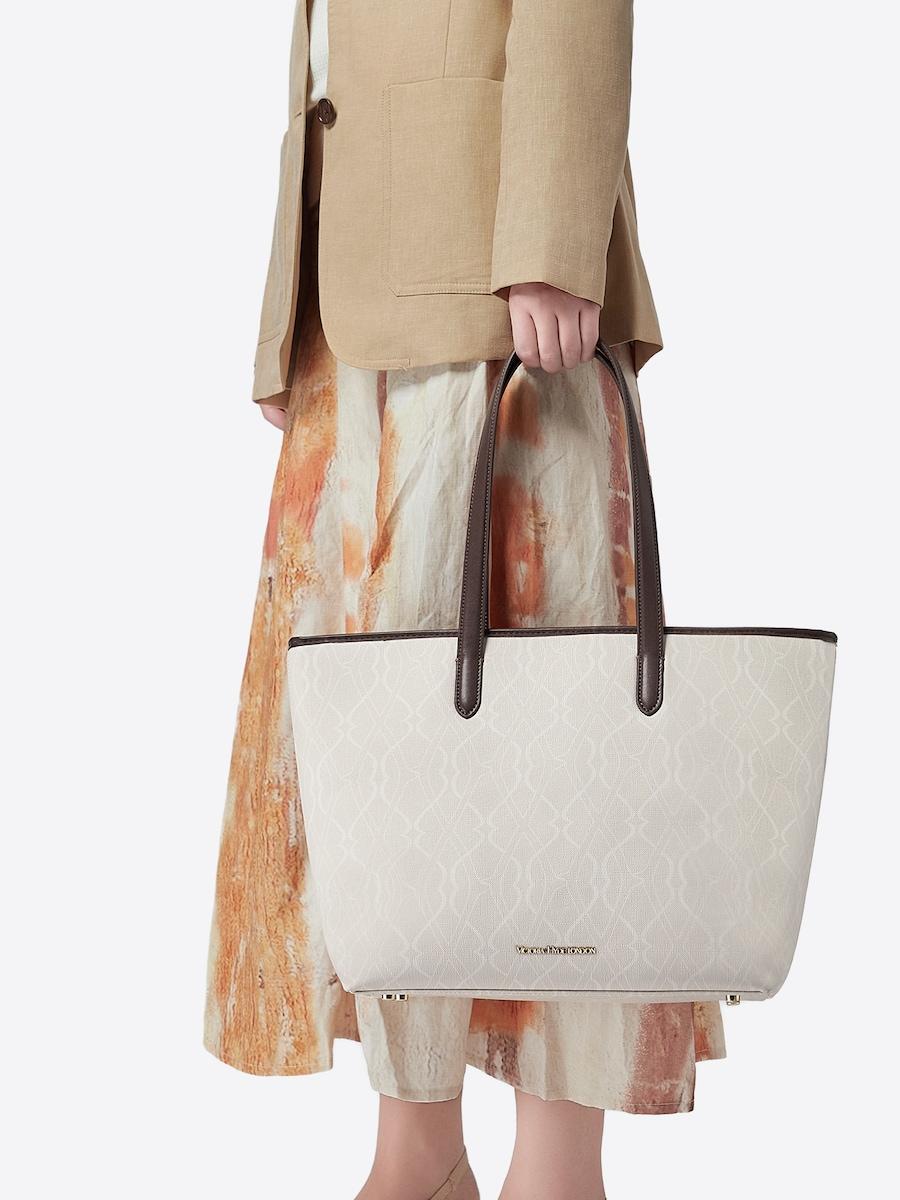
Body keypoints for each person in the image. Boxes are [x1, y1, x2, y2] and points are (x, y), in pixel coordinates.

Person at [205, 3, 725, 1197]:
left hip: (498, 280)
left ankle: (559, 1171)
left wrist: (552, 234)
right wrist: (293, 301)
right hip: (359, 295)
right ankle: (419, 1152)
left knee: (557, 734)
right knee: (384, 754)